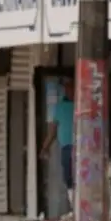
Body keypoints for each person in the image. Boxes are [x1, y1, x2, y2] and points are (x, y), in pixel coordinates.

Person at [40, 79, 76, 210]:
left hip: (82, 148)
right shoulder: (60, 107)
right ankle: (74, 207)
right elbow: (52, 131)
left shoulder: (81, 106)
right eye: (67, 88)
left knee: (80, 179)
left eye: (71, 88)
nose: (69, 91)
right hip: (66, 147)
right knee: (68, 178)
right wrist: (45, 147)